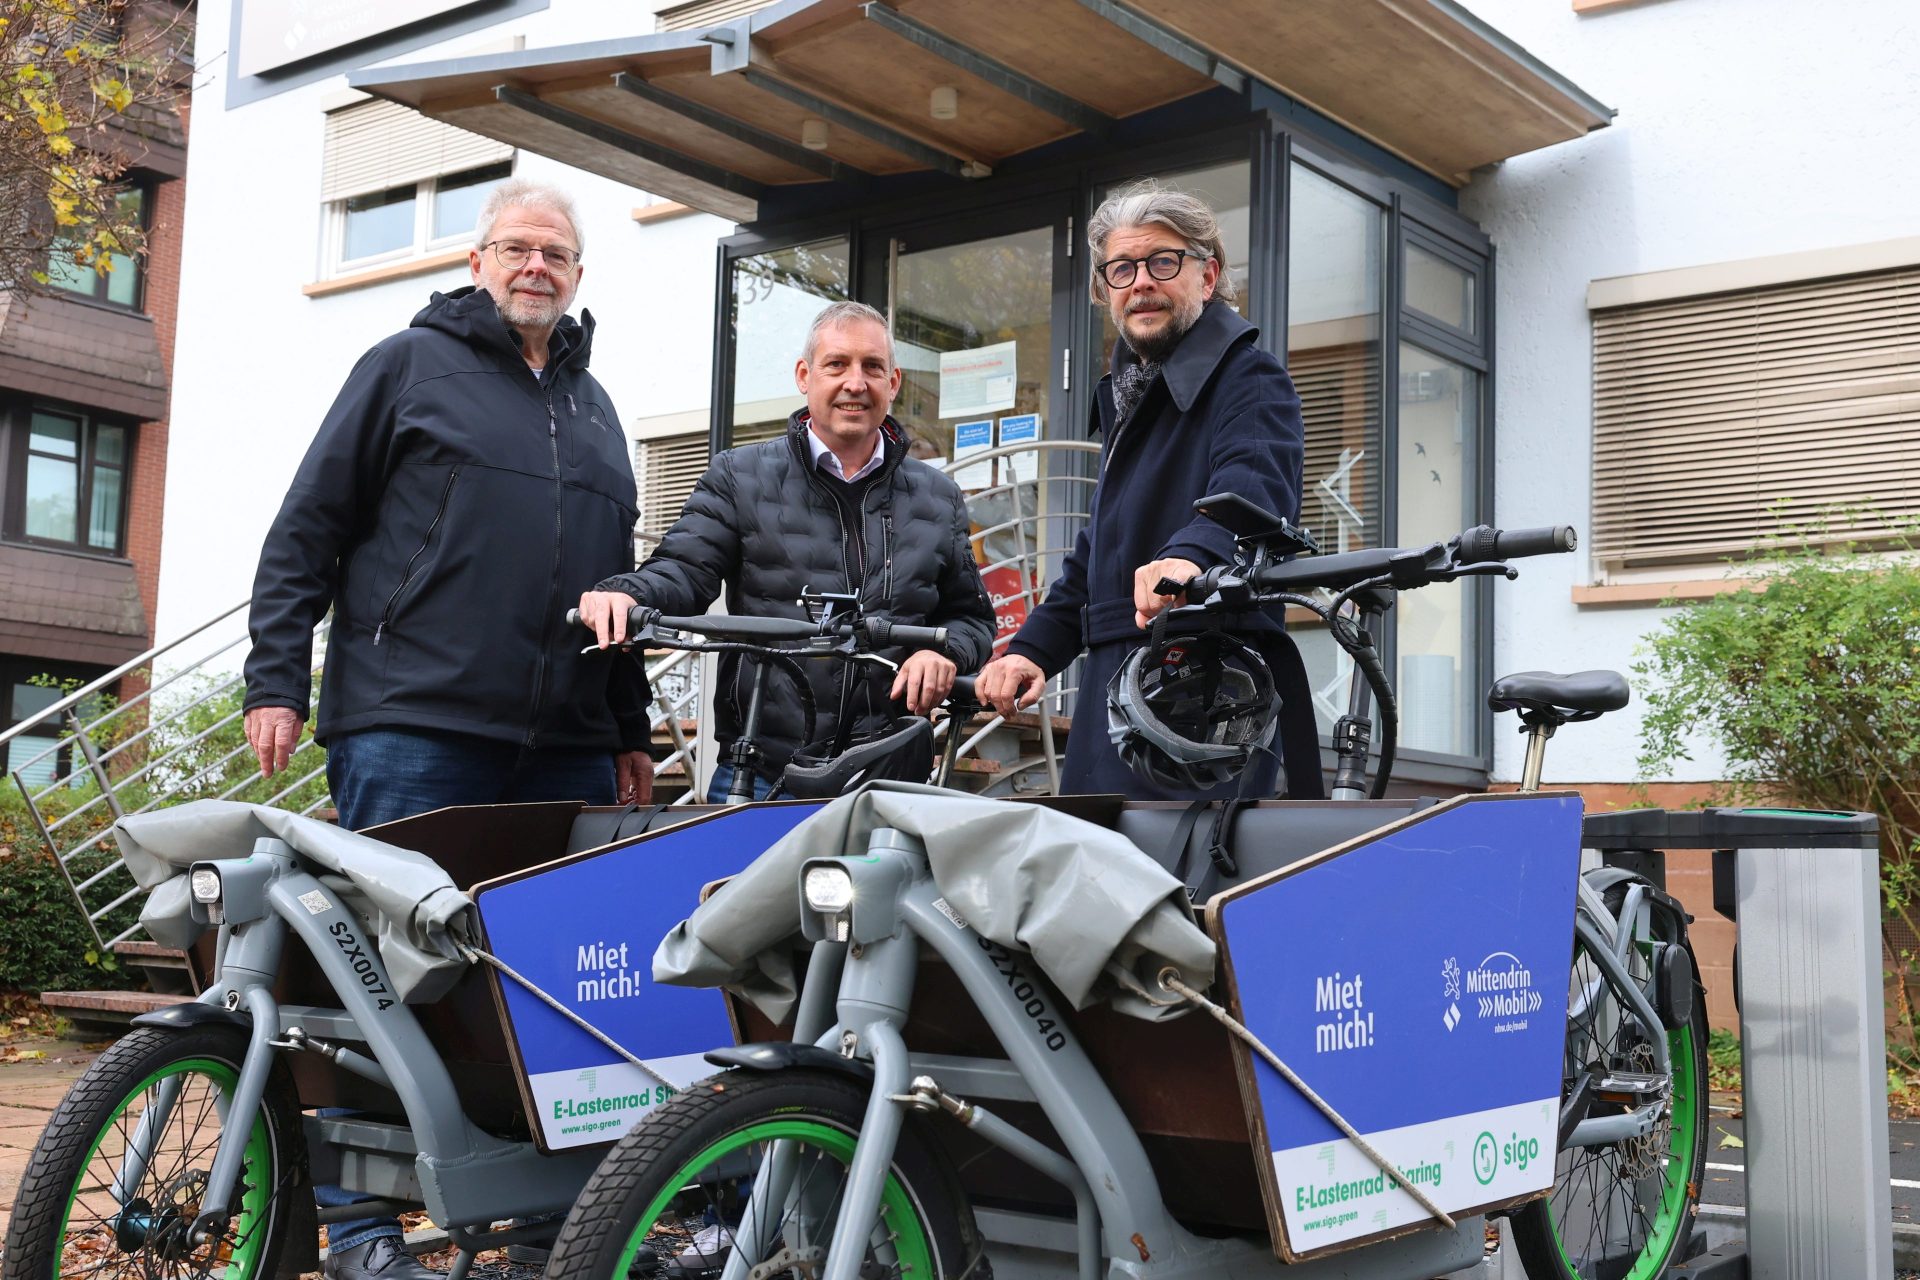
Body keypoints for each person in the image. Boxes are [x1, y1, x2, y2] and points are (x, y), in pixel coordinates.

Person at [240, 178, 653, 1280]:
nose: (535, 266)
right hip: (412, 721)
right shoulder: (402, 365)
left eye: (555, 252)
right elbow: (306, 531)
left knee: (541, 986)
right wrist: (274, 678)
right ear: (476, 262)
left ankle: (533, 1225)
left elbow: (612, 583)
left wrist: (630, 724)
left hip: (563, 740)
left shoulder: (597, 404)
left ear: (577, 275)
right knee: (383, 976)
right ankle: (364, 1230)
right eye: (515, 248)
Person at [976, 179, 1323, 801]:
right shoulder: (1131, 394)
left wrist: (1191, 556)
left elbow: (1252, 491)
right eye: (1122, 268)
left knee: (1185, 892)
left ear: (1207, 276)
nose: (1141, 282)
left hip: (1205, 698)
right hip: (1117, 693)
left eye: (1163, 262)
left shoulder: (1250, 378)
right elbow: (1096, 557)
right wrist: (1031, 651)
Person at [576, 300, 995, 801]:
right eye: (836, 364)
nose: (855, 383)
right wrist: (623, 593)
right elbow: (684, 570)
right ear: (804, 375)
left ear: (894, 382)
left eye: (872, 367)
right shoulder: (740, 476)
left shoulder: (938, 495)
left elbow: (972, 619)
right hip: (758, 773)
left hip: (889, 777)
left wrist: (940, 651)